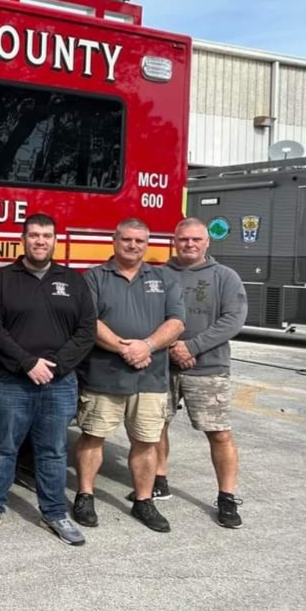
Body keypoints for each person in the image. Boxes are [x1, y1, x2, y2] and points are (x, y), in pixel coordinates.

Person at [0, 214, 97, 546]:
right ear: (23, 239)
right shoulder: (3, 279)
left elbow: (87, 331)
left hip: (59, 382)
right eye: (34, 235)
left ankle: (55, 513)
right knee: (2, 447)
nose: (40, 241)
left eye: (46, 236)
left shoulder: (73, 281)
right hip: (12, 380)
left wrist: (54, 367)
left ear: (55, 241)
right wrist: (27, 362)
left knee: (53, 451)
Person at [73, 218, 185, 533]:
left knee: (146, 442)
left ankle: (144, 501)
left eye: (139, 241)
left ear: (147, 244)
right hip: (103, 376)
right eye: (127, 239)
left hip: (150, 379)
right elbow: (89, 321)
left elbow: (177, 322)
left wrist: (146, 346)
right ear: (115, 240)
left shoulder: (164, 278)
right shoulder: (95, 277)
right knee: (92, 437)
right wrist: (126, 349)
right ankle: (85, 495)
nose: (133, 245)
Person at [158, 217, 248, 528]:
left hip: (208, 368)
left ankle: (227, 497)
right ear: (174, 241)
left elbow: (233, 320)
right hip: (163, 366)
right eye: (184, 239)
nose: (190, 244)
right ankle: (159, 480)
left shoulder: (225, 277)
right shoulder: (159, 274)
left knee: (219, 433)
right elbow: (148, 315)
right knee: (156, 427)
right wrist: (172, 348)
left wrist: (192, 347)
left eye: (196, 239)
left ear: (207, 242)